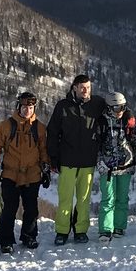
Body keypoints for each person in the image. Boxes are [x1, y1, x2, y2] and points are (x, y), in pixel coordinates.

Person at [46, 74, 107, 244]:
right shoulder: (63, 106)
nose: (85, 90)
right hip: (67, 160)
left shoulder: (97, 104)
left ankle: (81, 230)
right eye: (82, 87)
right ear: (74, 88)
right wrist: (53, 157)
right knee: (65, 199)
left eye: (88, 87)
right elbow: (52, 132)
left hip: (88, 160)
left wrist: (129, 115)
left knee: (83, 199)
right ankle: (62, 231)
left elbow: (117, 108)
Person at [0, 91, 50, 254]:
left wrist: (46, 168)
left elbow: (44, 150)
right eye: (24, 107)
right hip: (11, 173)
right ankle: (5, 240)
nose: (27, 110)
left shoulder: (39, 128)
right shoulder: (6, 126)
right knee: (10, 207)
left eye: (30, 107)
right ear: (18, 107)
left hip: (32, 174)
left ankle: (29, 236)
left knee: (31, 208)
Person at [97, 92, 136, 240]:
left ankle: (119, 227)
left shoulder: (127, 121)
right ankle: (105, 229)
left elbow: (135, 140)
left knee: (122, 198)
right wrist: (99, 162)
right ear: (110, 107)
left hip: (125, 165)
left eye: (123, 107)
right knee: (108, 198)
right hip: (108, 166)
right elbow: (96, 143)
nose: (120, 111)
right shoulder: (102, 122)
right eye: (117, 108)